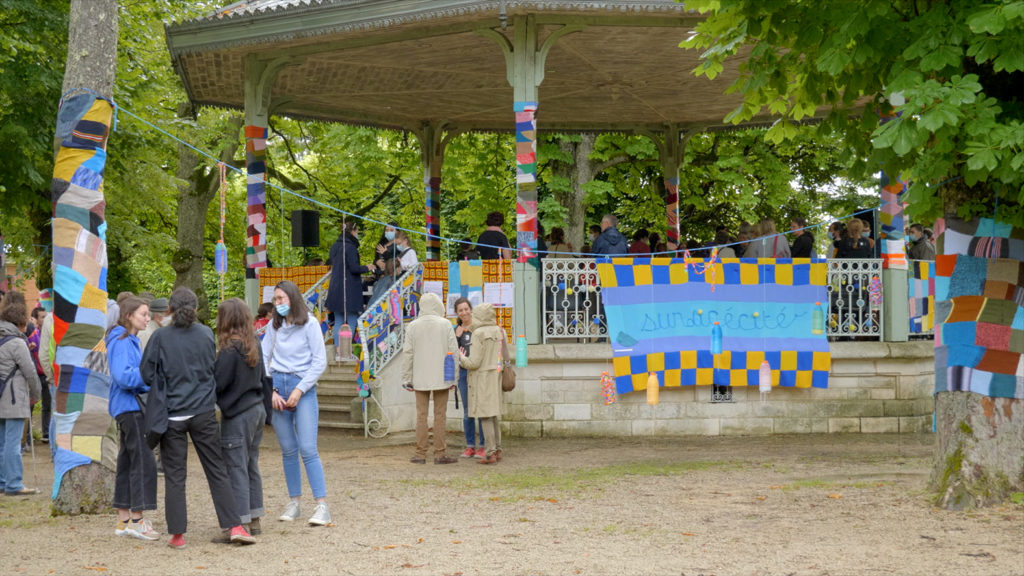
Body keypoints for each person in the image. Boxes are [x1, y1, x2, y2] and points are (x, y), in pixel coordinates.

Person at [140, 287, 255, 549]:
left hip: (172, 415)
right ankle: (234, 525)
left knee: (175, 475)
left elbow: (146, 374)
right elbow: (209, 368)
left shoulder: (160, 337)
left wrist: (164, 383)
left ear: (169, 309)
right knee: (217, 470)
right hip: (203, 411)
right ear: (196, 309)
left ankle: (177, 535)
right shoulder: (205, 334)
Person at [261, 281, 330, 526]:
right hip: (278, 387)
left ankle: (321, 505)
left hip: (303, 387)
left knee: (308, 448)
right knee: (288, 449)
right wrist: (270, 391)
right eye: (275, 300)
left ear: (293, 298)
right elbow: (262, 355)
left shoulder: (310, 324)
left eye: (282, 299)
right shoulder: (273, 325)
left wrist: (300, 390)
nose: (278, 303)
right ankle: (295, 501)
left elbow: (319, 361)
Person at [214, 298, 271, 538]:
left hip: (237, 414)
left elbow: (218, 383)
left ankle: (239, 523)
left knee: (235, 466)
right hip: (256, 409)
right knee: (250, 465)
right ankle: (254, 517)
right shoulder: (253, 344)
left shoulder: (229, 350)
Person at [106, 296, 159, 540]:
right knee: (143, 462)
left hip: (127, 407)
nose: (147, 318)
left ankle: (123, 520)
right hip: (131, 407)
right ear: (128, 315)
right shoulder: (122, 339)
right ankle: (137, 520)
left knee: (127, 462)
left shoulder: (127, 339)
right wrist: (150, 380)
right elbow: (123, 376)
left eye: (148, 314)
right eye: (143, 314)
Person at [401, 292, 460, 465]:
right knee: (440, 415)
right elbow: (453, 353)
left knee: (421, 415)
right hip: (443, 376)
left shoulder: (412, 326)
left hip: (419, 377)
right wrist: (453, 378)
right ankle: (440, 454)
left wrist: (406, 378)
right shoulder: (445, 324)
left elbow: (408, 353)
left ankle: (420, 454)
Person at [0, 291, 41, 495]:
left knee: (1, 442)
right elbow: (30, 372)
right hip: (13, 398)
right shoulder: (17, 342)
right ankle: (14, 483)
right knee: (13, 443)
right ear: (19, 323)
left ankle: (1, 481)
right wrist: (37, 394)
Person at [458, 303, 505, 465]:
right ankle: (498, 449)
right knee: (494, 415)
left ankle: (490, 453)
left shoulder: (478, 333)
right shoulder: (500, 331)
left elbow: (474, 363)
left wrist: (461, 358)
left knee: (485, 415)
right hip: (496, 376)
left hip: (482, 378)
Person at [326, 220, 375, 363]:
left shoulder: (335, 246)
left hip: (335, 288)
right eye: (357, 231)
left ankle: (337, 352)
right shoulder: (351, 247)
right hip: (349, 290)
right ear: (353, 232)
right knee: (352, 320)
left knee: (339, 321)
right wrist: (367, 267)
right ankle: (346, 353)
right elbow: (354, 268)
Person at [453, 298, 484, 459]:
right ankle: (470, 445)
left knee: (481, 408)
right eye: (460, 310)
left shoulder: (478, 327)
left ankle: (483, 445)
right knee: (468, 410)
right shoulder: (455, 330)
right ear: (457, 313)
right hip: (463, 373)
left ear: (471, 309)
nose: (464, 312)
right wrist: (456, 337)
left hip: (478, 372)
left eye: (466, 309)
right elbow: (451, 352)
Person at [27, 307, 51, 443]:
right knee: (30, 405)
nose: (45, 319)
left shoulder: (48, 333)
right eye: (42, 317)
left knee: (47, 406)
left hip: (46, 374)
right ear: (36, 318)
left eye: (46, 316)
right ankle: (28, 435)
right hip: (35, 375)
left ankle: (46, 433)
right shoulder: (32, 333)